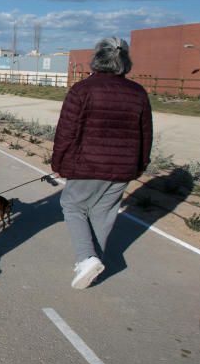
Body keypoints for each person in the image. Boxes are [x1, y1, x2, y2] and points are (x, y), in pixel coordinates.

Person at [51, 36, 152, 289]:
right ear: (124, 61)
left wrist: (58, 162)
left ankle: (87, 258)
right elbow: (146, 133)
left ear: (97, 58)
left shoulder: (82, 90)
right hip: (123, 167)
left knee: (72, 205)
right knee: (103, 213)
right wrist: (140, 164)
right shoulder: (137, 92)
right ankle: (93, 261)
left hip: (86, 164)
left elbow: (66, 131)